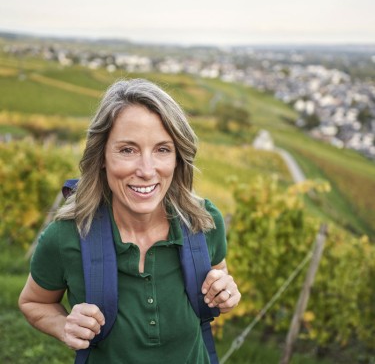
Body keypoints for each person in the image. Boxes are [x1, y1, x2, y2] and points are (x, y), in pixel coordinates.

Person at [19, 78, 241, 363]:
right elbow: (33, 302)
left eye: (162, 149)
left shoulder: (204, 223)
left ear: (177, 158)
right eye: (127, 150)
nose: (147, 171)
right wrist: (63, 326)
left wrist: (227, 295)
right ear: (102, 156)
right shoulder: (67, 236)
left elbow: (219, 282)